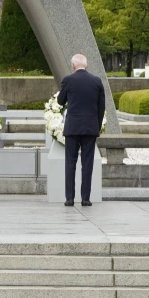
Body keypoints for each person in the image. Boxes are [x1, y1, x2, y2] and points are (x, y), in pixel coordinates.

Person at [57, 53, 105, 207]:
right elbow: (101, 107)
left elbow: (60, 101)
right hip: (90, 127)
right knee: (87, 163)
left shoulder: (68, 80)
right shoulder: (97, 81)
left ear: (73, 65)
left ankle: (69, 198)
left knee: (70, 163)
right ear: (86, 65)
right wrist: (96, 126)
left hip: (72, 127)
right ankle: (85, 198)